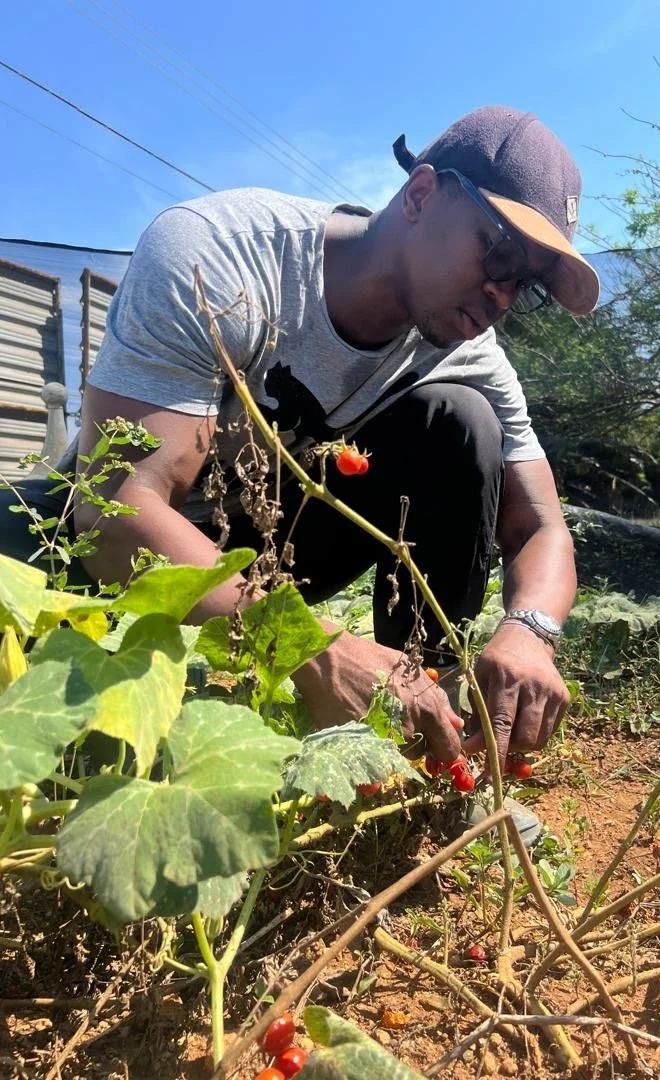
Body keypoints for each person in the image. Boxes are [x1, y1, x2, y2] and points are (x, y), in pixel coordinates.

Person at [2, 105, 599, 773]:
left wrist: (530, 632)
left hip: (266, 550)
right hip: (95, 533)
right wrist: (308, 646)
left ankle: (425, 719)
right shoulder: (220, 257)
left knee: (460, 420)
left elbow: (542, 526)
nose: (502, 295)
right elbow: (117, 510)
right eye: (500, 252)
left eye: (526, 284)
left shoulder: (467, 351)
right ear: (422, 194)